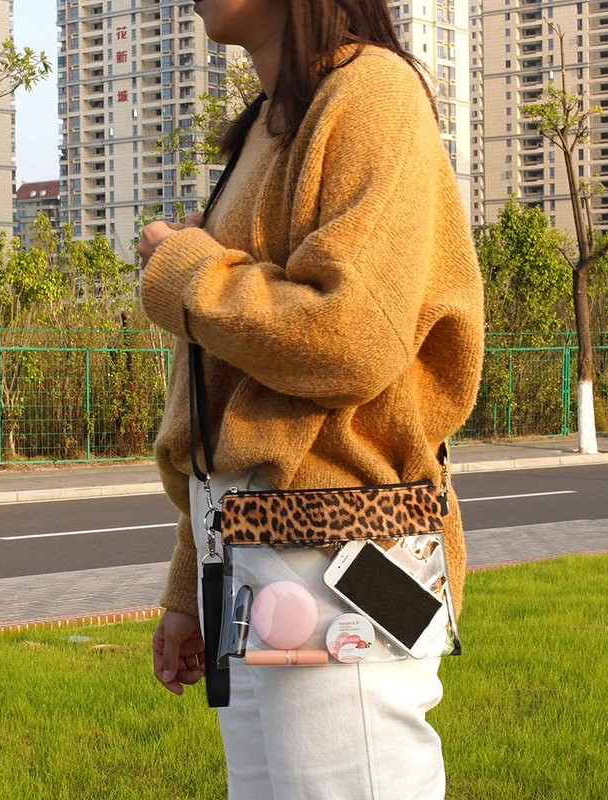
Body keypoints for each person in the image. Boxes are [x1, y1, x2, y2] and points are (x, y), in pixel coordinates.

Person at [137, 0, 484, 797]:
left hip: (347, 556)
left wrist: (188, 273)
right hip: (256, 553)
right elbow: (229, 391)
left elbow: (355, 335)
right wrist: (191, 578)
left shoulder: (371, 93)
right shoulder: (274, 122)